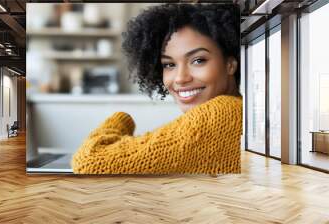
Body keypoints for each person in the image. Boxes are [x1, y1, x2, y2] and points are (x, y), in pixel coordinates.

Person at [71, 3, 242, 174]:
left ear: (230, 64)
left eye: (198, 60)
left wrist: (120, 120)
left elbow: (89, 162)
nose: (180, 78)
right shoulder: (237, 109)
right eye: (169, 64)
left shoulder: (221, 115)